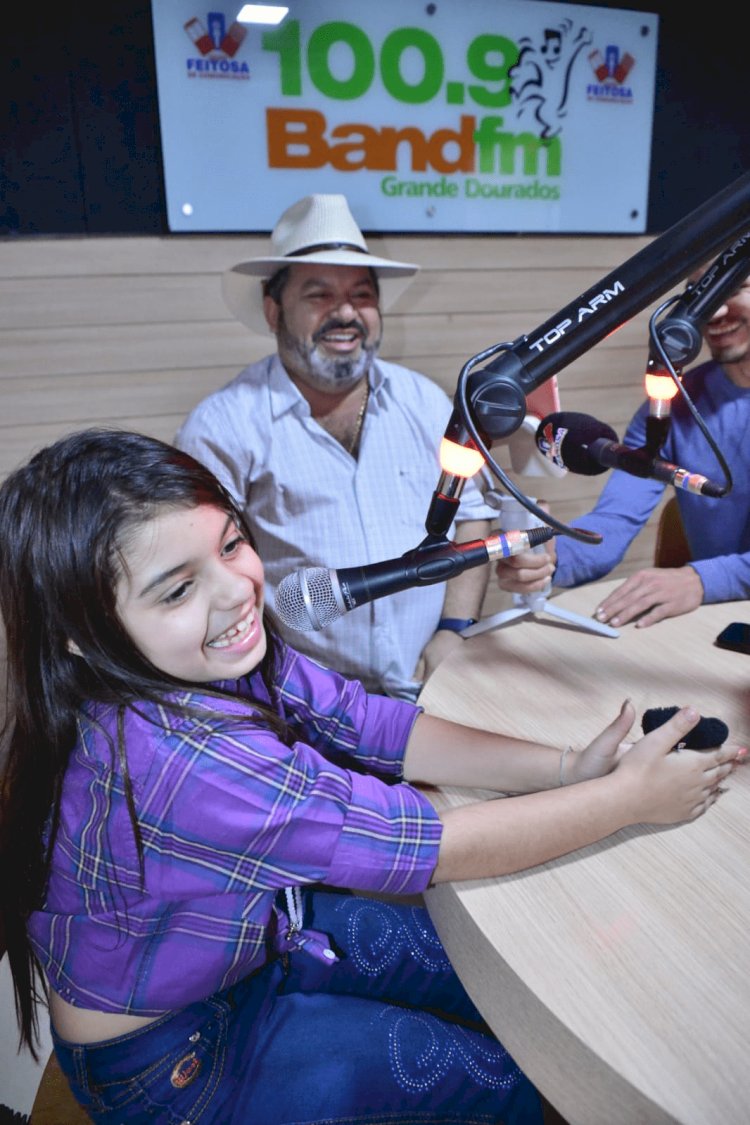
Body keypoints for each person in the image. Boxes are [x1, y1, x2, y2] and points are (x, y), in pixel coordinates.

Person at [0, 428, 743, 1125]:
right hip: (178, 1057)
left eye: (231, 543)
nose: (235, 590)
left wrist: (563, 769)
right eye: (175, 590)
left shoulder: (216, 659)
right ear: (79, 631)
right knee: (506, 1077)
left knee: (474, 982)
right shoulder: (182, 763)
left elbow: (373, 723)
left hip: (257, 936)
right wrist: (623, 799)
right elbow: (432, 845)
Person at [175, 193, 496, 702]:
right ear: (272, 309)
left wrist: (454, 628)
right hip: (301, 707)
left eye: (362, 295)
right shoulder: (224, 428)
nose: (345, 312)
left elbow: (473, 515)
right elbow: (197, 570)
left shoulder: (426, 403)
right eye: (318, 295)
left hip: (429, 686)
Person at [494, 274, 750, 628]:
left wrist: (701, 580)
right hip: (722, 623)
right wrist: (550, 556)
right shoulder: (671, 405)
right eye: (699, 294)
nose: (715, 309)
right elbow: (615, 520)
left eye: (733, 287)